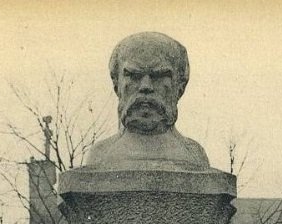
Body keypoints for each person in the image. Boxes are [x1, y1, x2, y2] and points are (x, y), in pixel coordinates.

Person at [85, 32, 209, 169]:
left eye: (159, 76)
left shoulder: (194, 156)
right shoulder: (100, 155)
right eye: (134, 75)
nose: (146, 86)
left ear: (180, 86)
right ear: (117, 85)